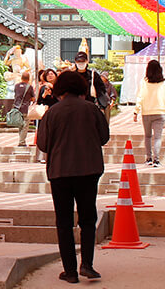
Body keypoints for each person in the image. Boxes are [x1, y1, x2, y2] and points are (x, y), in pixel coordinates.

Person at [36, 71, 110, 284]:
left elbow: (43, 144)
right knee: (88, 219)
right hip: (89, 170)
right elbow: (104, 137)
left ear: (60, 89)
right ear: (81, 88)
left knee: (64, 222)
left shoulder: (52, 113)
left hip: (60, 172)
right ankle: (87, 264)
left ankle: (69, 272)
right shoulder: (92, 109)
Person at [134, 59, 165, 167]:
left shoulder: (144, 82)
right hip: (159, 112)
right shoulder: (163, 83)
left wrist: (136, 111)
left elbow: (140, 97)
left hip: (146, 113)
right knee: (158, 137)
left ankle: (148, 158)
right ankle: (156, 160)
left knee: (148, 136)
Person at [14, 70, 36, 147]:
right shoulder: (29, 87)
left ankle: (21, 140)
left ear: (21, 78)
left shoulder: (16, 86)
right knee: (25, 126)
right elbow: (33, 98)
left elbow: (16, 96)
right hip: (26, 108)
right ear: (29, 79)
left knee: (20, 125)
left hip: (17, 108)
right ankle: (22, 142)